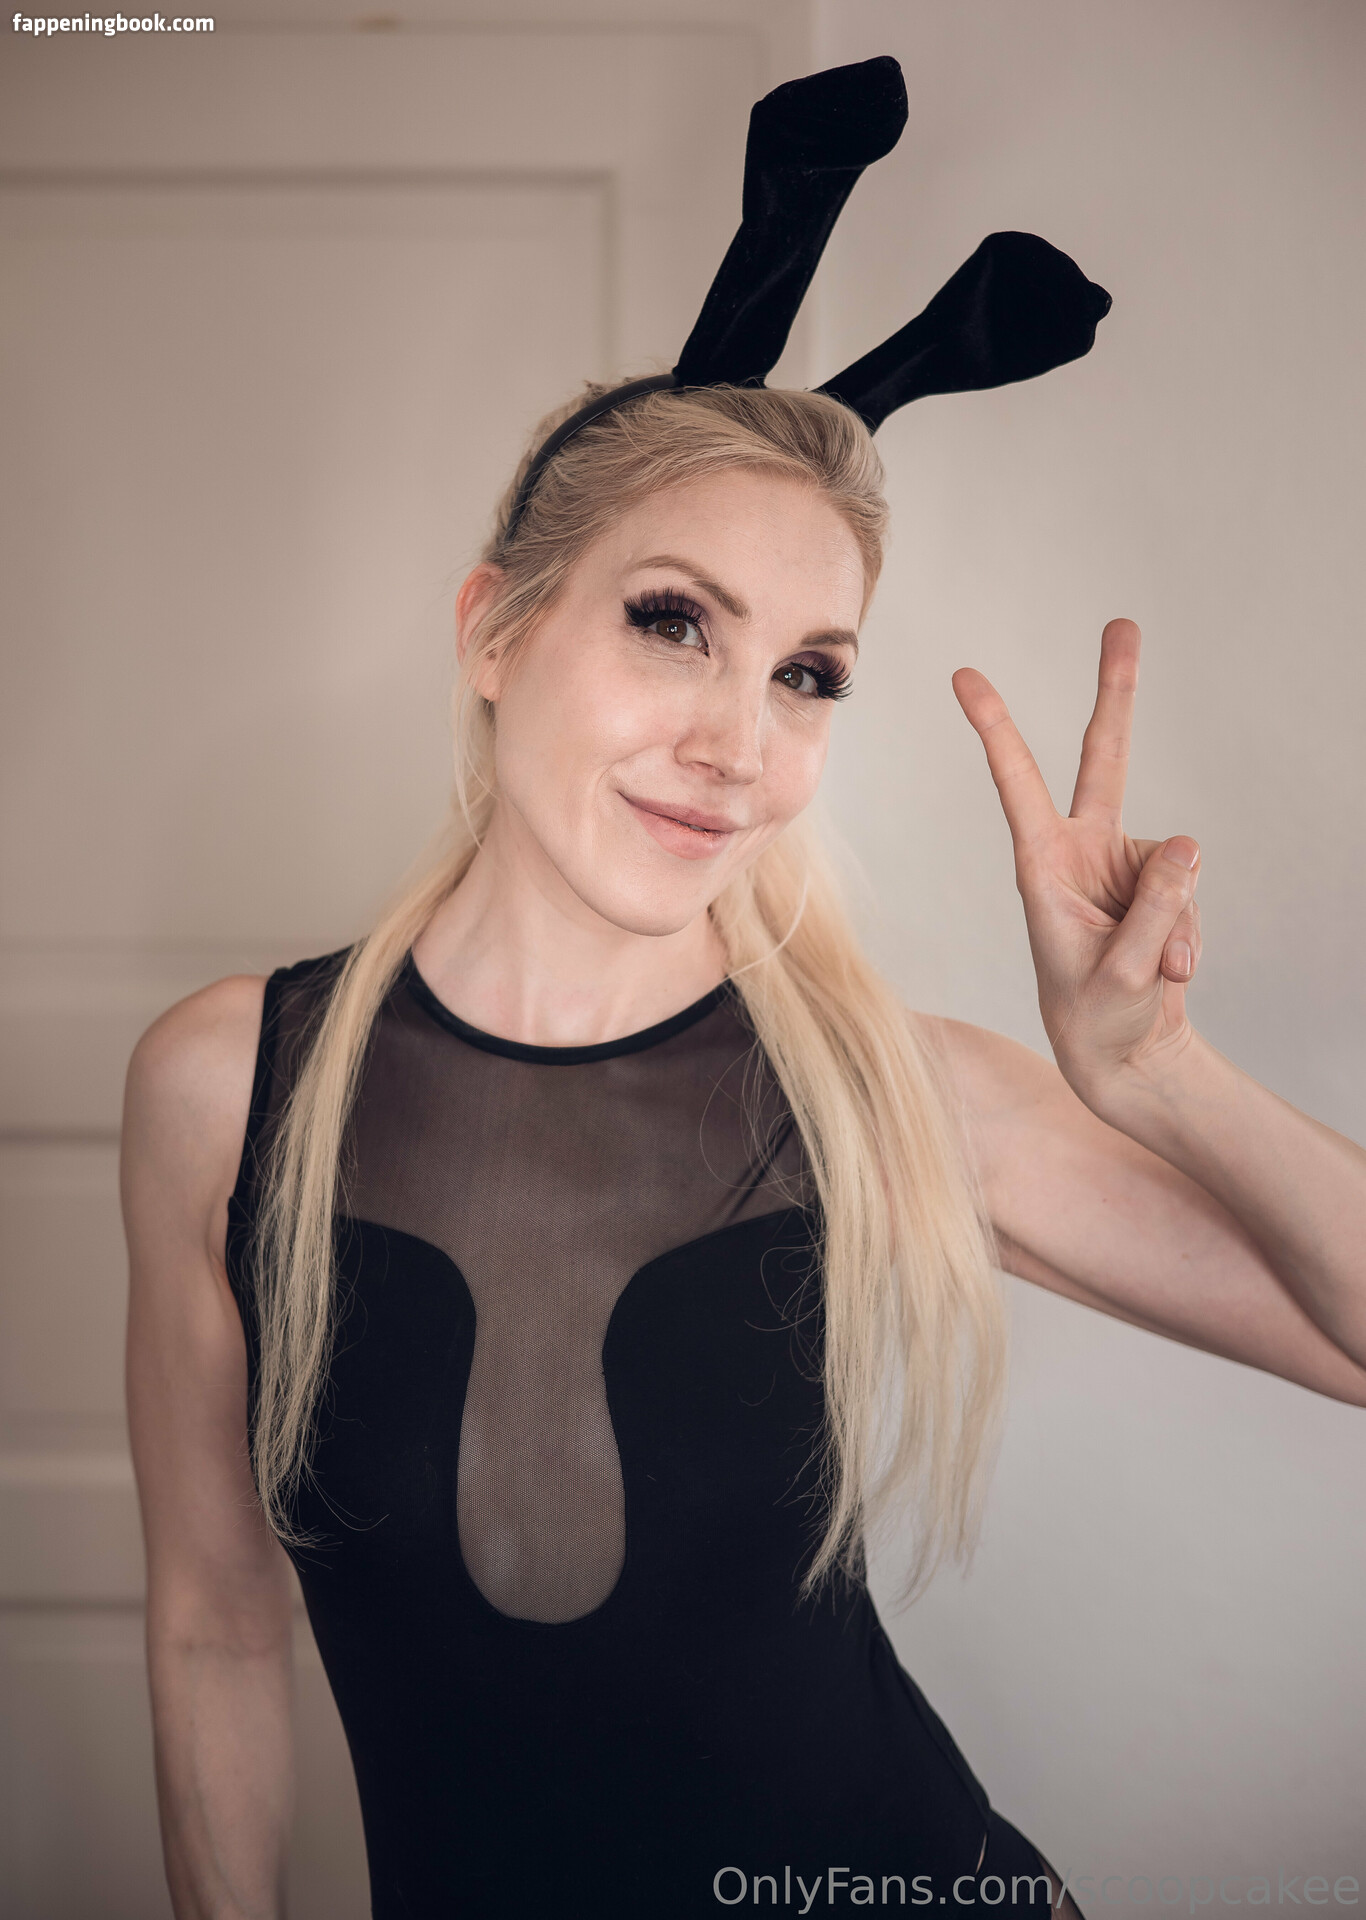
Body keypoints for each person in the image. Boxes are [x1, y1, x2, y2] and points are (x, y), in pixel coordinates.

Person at [120, 61, 1366, 1920]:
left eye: (807, 674)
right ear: (492, 628)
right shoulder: (227, 1087)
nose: (736, 741)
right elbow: (215, 1624)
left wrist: (1155, 1075)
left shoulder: (875, 1089)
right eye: (671, 623)